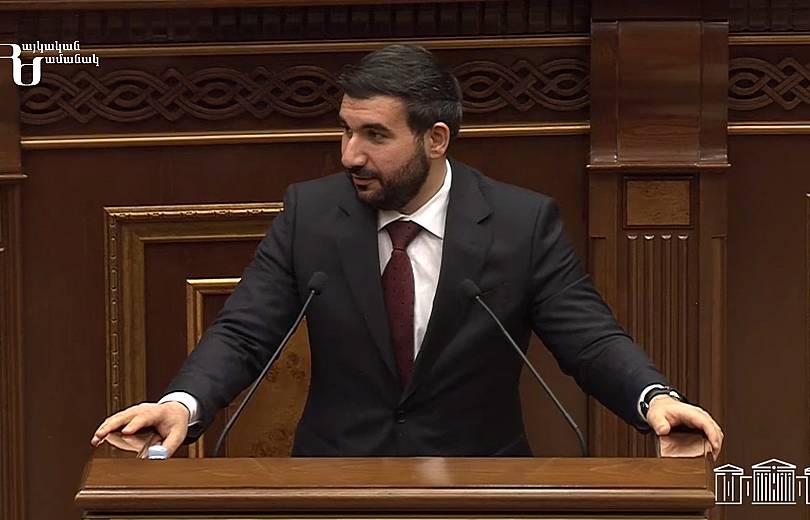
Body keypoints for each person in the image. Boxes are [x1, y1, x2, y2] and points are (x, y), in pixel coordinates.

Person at [92, 44, 723, 459]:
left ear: (436, 139)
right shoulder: (312, 214)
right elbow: (244, 331)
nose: (350, 155)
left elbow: (588, 339)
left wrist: (655, 399)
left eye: (375, 135)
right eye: (346, 131)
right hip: (335, 484)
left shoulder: (520, 223)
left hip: (479, 485)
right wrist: (182, 404)